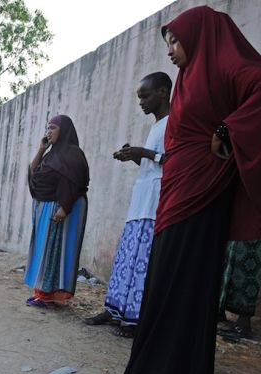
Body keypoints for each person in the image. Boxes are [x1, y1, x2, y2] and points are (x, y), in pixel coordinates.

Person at [120, 6, 261, 374]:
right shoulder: (189, 78)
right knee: (164, 282)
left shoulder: (226, 65)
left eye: (175, 41)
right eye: (168, 44)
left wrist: (225, 131)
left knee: (188, 286)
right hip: (175, 193)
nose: (171, 52)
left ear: (200, 36)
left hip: (202, 194)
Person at [85, 73, 171, 337]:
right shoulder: (155, 126)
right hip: (140, 201)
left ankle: (136, 319)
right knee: (128, 258)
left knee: (143, 261)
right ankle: (116, 310)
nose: (141, 102)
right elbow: (152, 163)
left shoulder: (174, 123)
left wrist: (142, 153)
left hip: (155, 202)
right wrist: (133, 156)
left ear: (163, 92)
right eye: (139, 98)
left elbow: (174, 160)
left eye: (145, 96)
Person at [24, 115, 89, 307]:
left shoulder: (73, 154)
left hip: (61, 209)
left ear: (64, 130)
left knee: (53, 251)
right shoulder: (50, 154)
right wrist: (41, 149)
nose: (48, 132)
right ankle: (41, 292)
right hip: (46, 208)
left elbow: (77, 181)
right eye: (47, 128)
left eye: (52, 128)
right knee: (43, 251)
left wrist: (65, 207)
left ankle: (48, 296)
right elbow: (32, 173)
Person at [217, 239, 261, 339]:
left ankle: (243, 325)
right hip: (241, 228)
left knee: (245, 270)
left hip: (250, 230)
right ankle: (221, 311)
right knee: (230, 266)